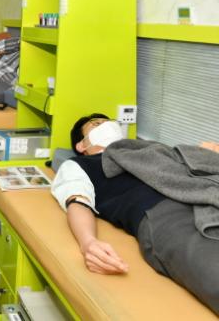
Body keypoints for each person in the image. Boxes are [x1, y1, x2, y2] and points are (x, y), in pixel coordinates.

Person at [51, 113, 219, 314]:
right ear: (81, 145)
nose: (106, 126)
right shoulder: (80, 165)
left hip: (205, 195)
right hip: (163, 213)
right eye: (96, 124)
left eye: (109, 122)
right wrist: (88, 243)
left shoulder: (149, 149)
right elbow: (78, 202)